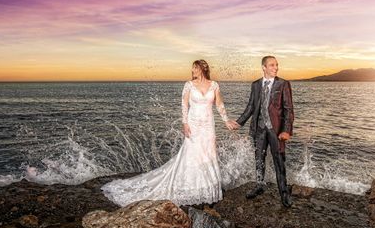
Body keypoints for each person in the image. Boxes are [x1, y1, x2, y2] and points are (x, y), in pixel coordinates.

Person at [102, 59, 237, 207]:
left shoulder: (214, 85)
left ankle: (208, 187)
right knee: (193, 153)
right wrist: (184, 123)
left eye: (195, 68)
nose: (193, 71)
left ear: (203, 69)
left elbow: (219, 104)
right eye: (192, 68)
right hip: (193, 124)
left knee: (208, 152)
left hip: (208, 125)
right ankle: (190, 187)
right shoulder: (189, 85)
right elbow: (184, 105)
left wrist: (226, 120)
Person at [235, 55, 294, 207]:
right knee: (259, 159)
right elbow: (250, 107)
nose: (276, 68)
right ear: (264, 67)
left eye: (277, 65)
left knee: (279, 160)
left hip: (276, 130)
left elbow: (288, 110)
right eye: (272, 65)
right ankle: (259, 185)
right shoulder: (255, 85)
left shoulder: (283, 84)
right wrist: (238, 123)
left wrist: (286, 130)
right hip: (259, 129)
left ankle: (284, 193)